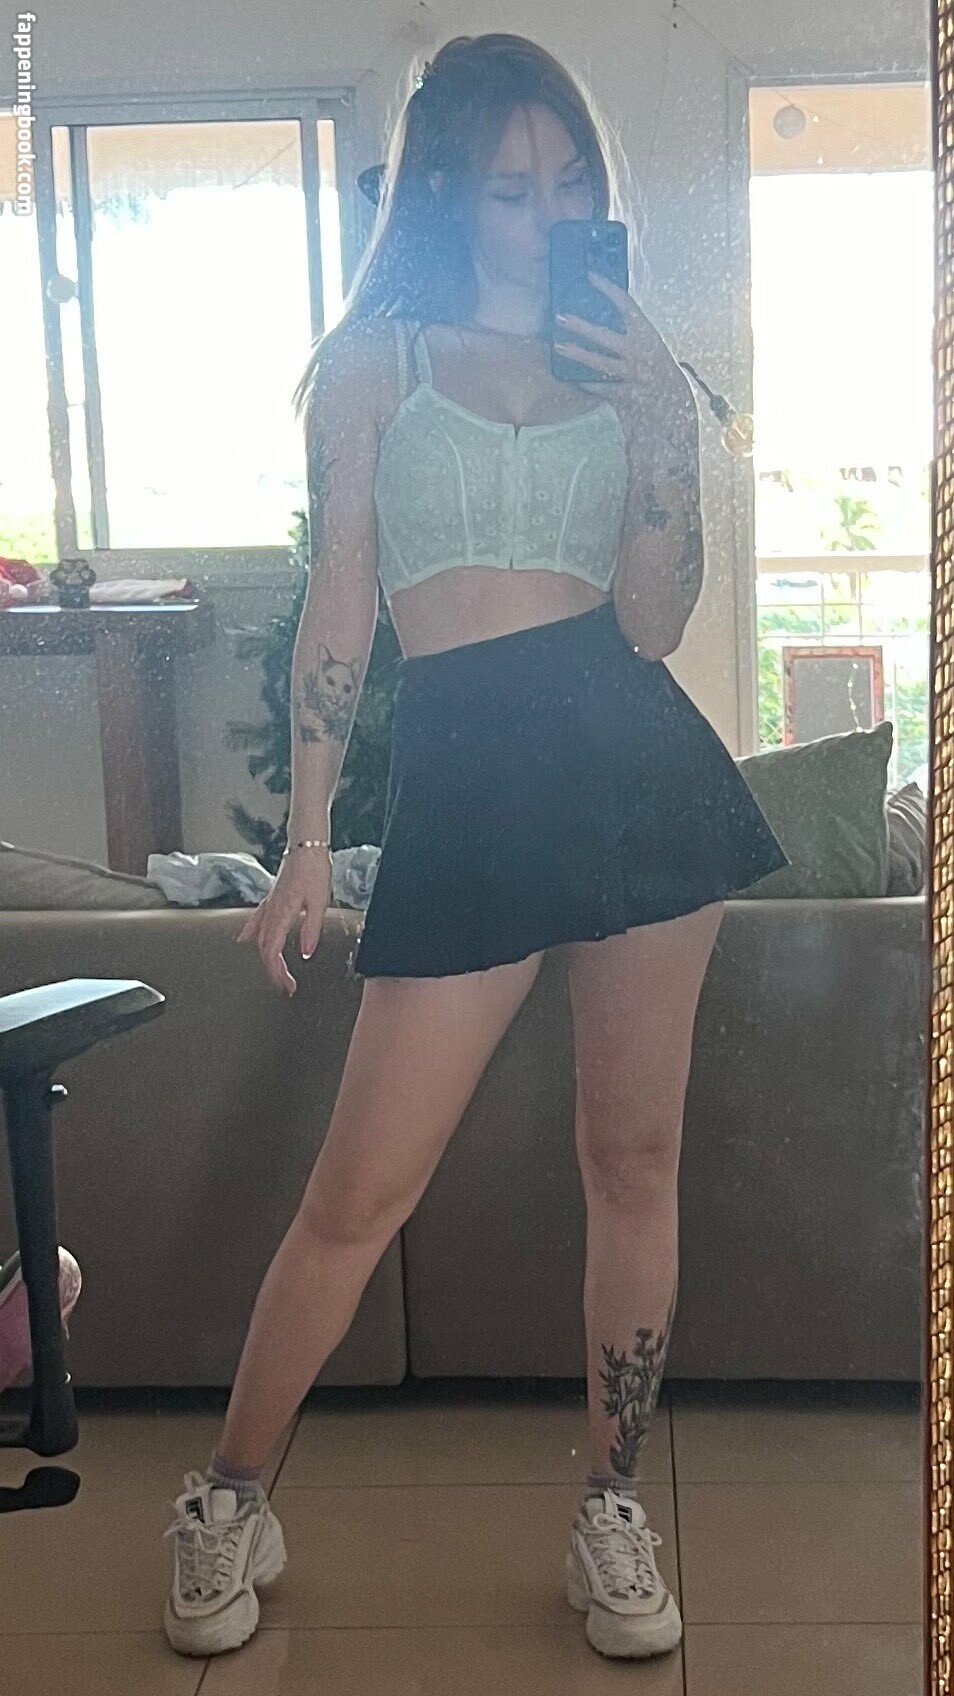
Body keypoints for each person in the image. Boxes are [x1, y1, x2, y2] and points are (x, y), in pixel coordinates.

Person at [162, 31, 789, 1663]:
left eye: (569, 182)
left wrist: (660, 423)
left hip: (633, 766)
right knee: (358, 1189)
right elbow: (344, 598)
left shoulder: (626, 358)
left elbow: (651, 624)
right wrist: (307, 838)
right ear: (445, 191)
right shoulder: (377, 363)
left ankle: (609, 1507)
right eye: (510, 188)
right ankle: (229, 1493)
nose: (546, 213)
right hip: (461, 782)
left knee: (630, 1163)